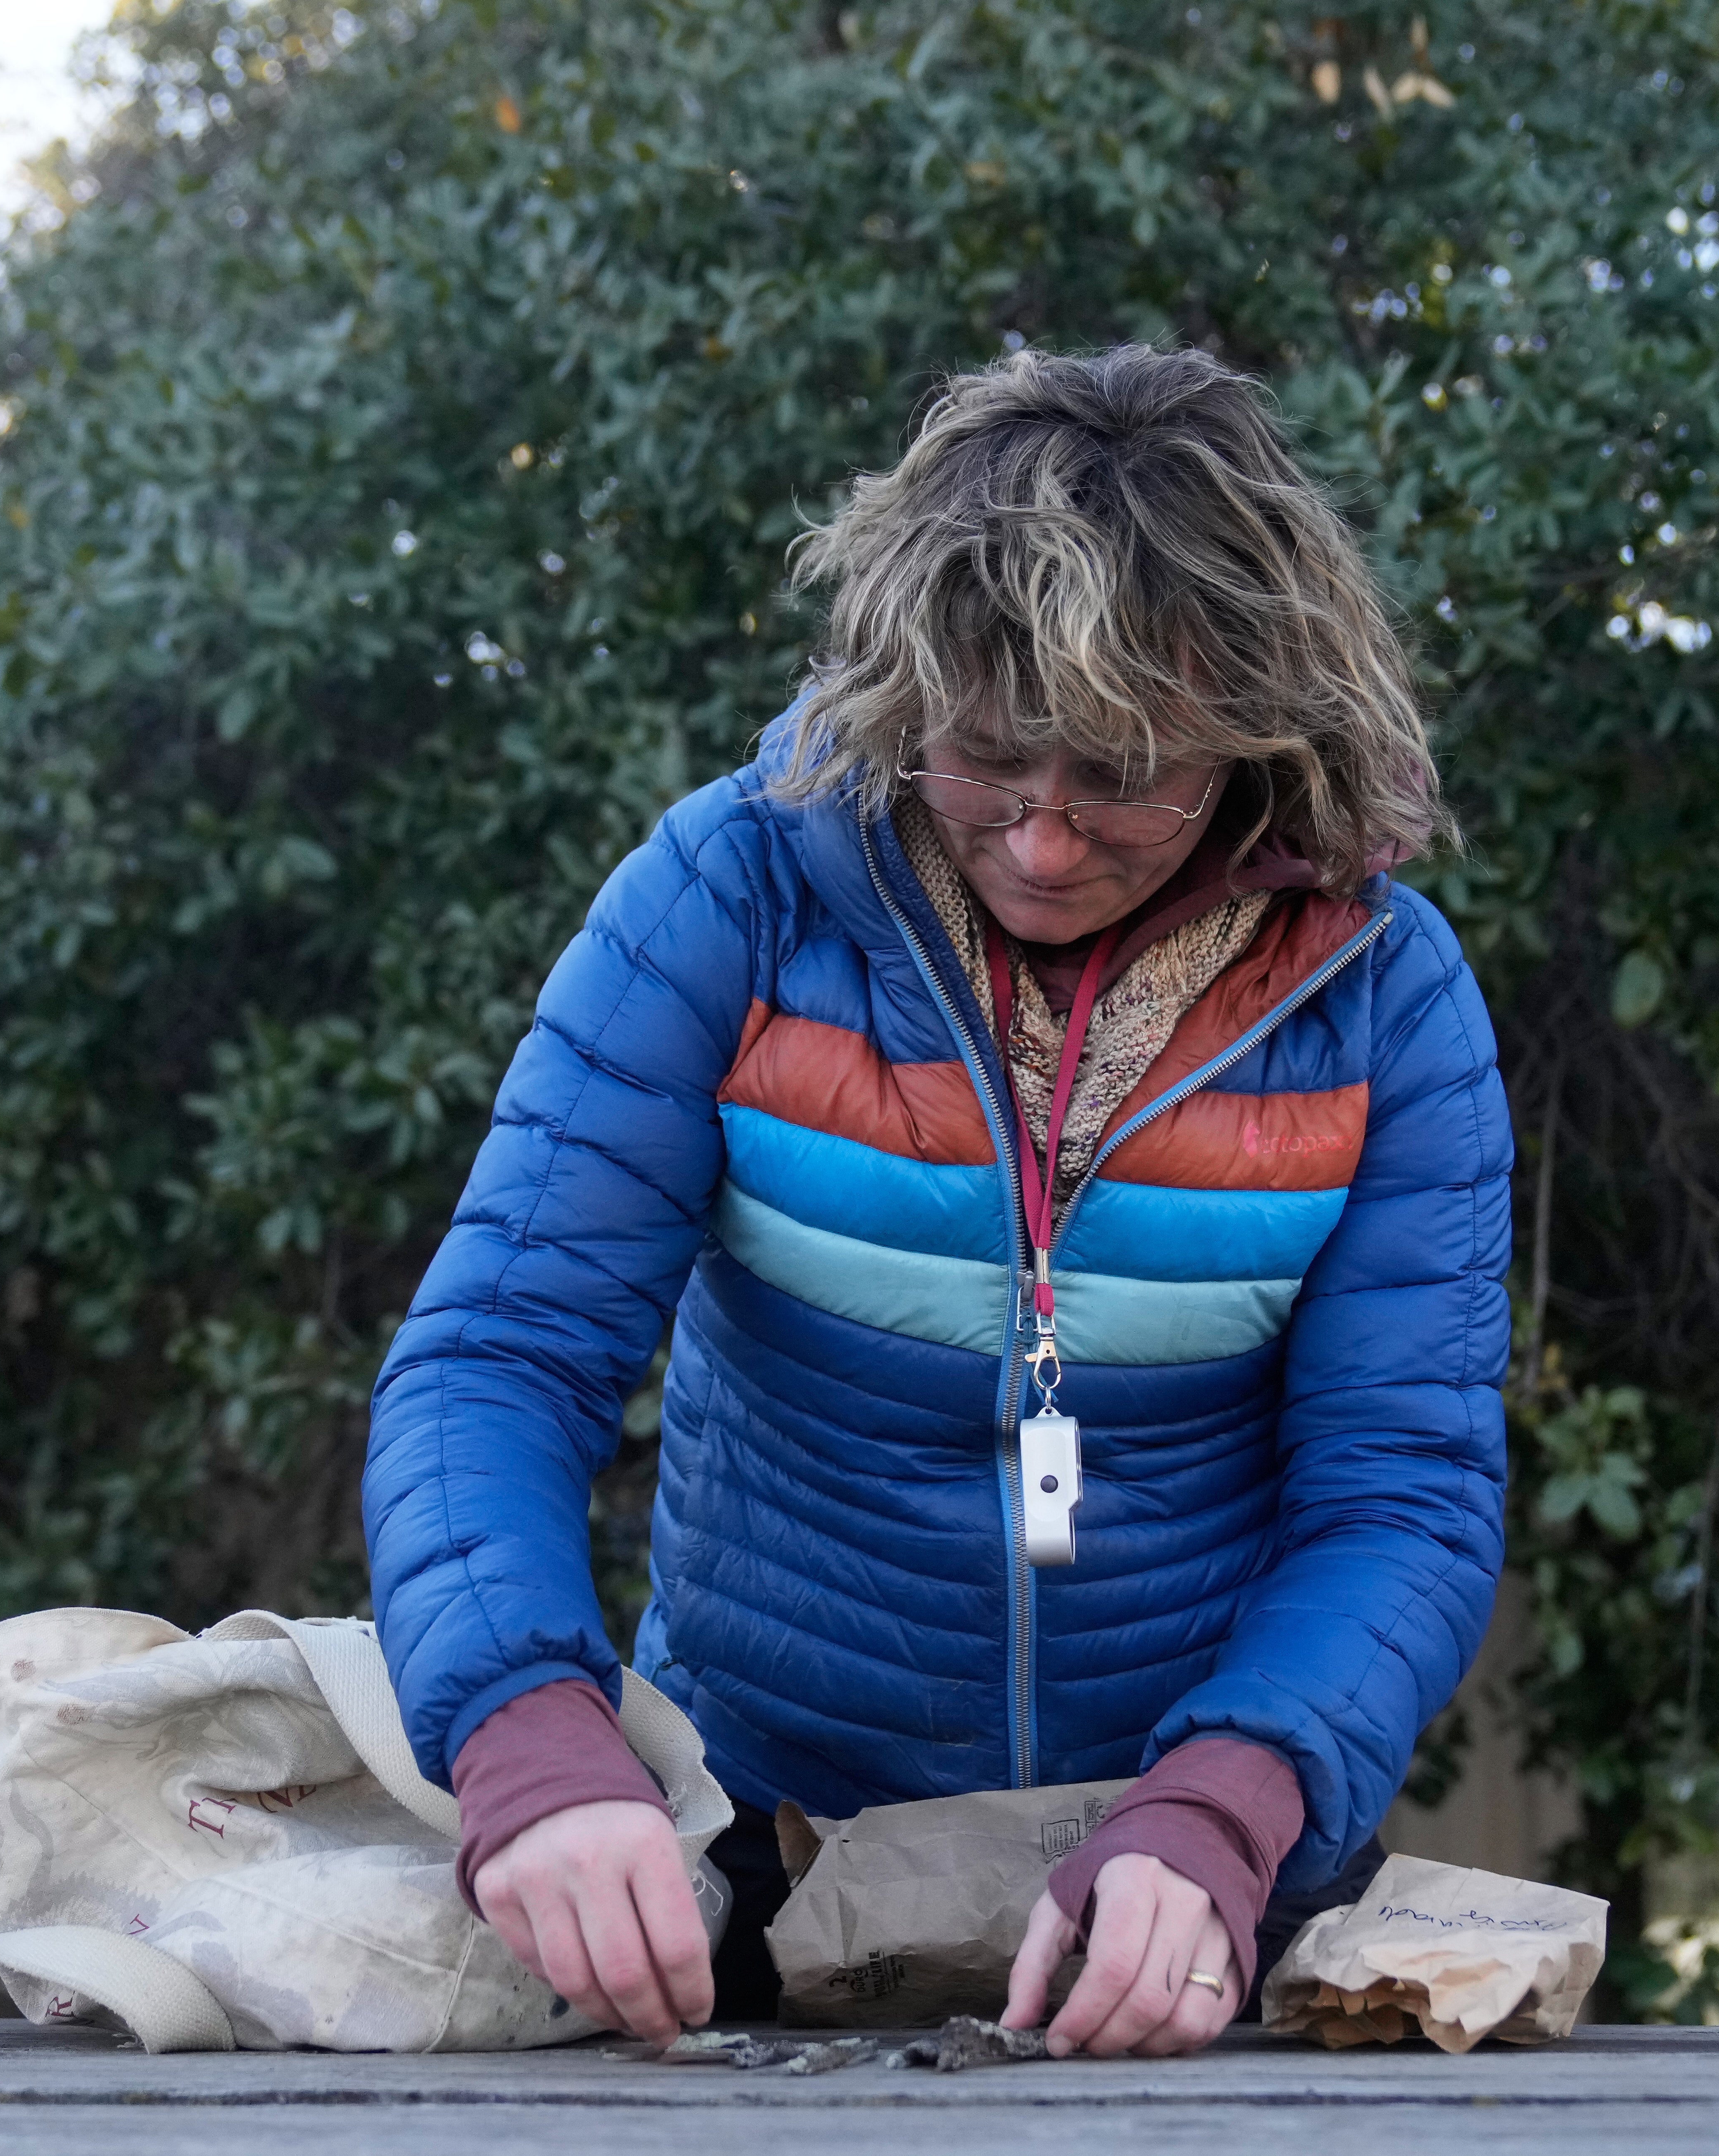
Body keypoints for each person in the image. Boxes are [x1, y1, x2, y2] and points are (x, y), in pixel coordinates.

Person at [365, 343, 1510, 2059]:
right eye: (985, 760)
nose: (1043, 841)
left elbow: (1400, 1489)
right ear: (908, 689)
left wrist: (1227, 1799)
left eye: (1124, 773)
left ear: (1265, 732)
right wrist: (530, 1732)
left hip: (1187, 1901)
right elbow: (497, 1356)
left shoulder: (1386, 997)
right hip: (761, 1865)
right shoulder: (725, 893)